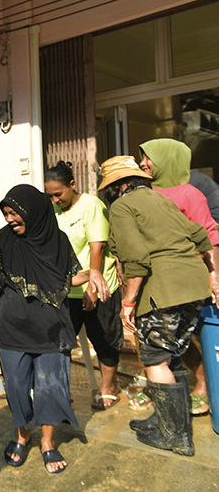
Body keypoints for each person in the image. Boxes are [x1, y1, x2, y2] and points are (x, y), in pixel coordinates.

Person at [100, 155, 212, 456]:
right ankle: (167, 420)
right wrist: (208, 273)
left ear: (116, 186)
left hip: (164, 291)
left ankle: (175, 436)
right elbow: (200, 235)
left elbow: (136, 258)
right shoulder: (161, 199)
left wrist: (128, 303)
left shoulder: (122, 206)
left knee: (154, 360)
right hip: (193, 288)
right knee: (171, 353)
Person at [0, 185, 83, 474]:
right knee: (17, 388)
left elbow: (68, 279)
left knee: (51, 388)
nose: (9, 219)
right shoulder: (3, 240)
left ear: (32, 211)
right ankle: (22, 435)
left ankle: (47, 442)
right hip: (13, 329)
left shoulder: (58, 241)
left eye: (14, 213)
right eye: (6, 213)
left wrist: (93, 274)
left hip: (52, 330)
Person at [139, 138, 219, 416]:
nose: (143, 163)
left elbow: (209, 237)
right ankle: (172, 400)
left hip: (184, 282)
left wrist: (213, 277)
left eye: (148, 157)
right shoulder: (145, 192)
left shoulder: (190, 194)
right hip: (153, 281)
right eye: (142, 157)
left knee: (180, 339)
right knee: (164, 344)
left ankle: (201, 384)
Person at [44, 161, 122, 410]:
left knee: (104, 338)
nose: (55, 200)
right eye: (50, 195)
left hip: (98, 284)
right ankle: (59, 389)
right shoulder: (53, 210)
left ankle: (108, 387)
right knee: (61, 341)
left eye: (59, 194)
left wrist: (93, 288)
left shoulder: (91, 205)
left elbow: (97, 247)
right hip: (68, 288)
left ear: (73, 185)